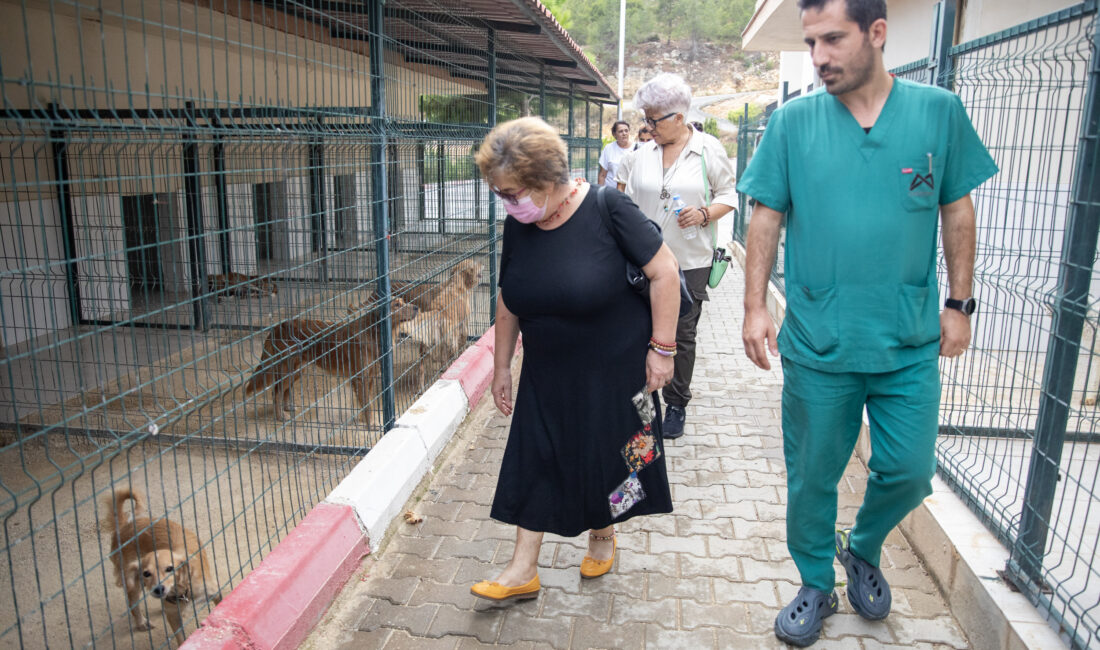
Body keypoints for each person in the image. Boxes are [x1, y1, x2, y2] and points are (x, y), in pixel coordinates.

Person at [737, 0, 998, 646]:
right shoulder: (792, 124)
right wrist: (751, 306)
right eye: (810, 42)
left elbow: (957, 212)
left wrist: (959, 305)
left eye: (832, 39)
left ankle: (864, 546)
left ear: (876, 34)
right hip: (819, 344)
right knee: (813, 476)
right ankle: (814, 584)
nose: (818, 57)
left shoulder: (937, 112)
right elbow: (764, 217)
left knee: (910, 469)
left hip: (908, 341)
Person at [469, 117, 681, 602]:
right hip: (547, 370)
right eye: (500, 193)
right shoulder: (519, 222)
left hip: (619, 368)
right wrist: (502, 367)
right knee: (536, 454)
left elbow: (665, 273)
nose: (507, 201)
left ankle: (605, 530)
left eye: (513, 191)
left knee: (619, 457)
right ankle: (522, 568)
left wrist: (662, 350)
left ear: (546, 179)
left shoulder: (608, 206)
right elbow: (508, 299)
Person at [623, 73, 737, 439]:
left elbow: (730, 194)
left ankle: (676, 404)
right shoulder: (642, 153)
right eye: (646, 118)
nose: (647, 126)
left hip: (690, 260)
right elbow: (622, 198)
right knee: (638, 330)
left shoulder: (708, 149)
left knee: (681, 335)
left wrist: (704, 214)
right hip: (642, 261)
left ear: (677, 117)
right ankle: (642, 404)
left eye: (653, 120)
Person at [597, 120, 632, 187]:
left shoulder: (636, 148)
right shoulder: (608, 148)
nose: (624, 133)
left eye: (626, 131)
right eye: (620, 131)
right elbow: (602, 175)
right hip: (611, 191)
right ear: (614, 134)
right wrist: (599, 193)